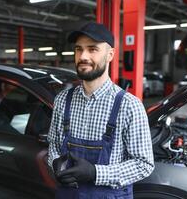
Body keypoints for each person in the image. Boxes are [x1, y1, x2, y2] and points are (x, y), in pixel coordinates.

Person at [47, 22, 154, 199]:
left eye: (92, 49)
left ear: (110, 54)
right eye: (78, 49)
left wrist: (96, 173)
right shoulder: (62, 100)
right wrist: (55, 164)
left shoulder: (129, 105)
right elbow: (54, 146)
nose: (83, 56)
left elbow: (144, 165)